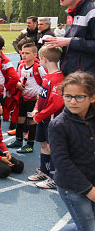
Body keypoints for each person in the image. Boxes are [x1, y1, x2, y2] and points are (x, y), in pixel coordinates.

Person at [49, 71, 95, 231]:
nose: (72, 101)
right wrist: (88, 189)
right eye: (67, 96)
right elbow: (62, 161)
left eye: (79, 97)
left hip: (92, 180)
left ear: (92, 97)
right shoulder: (59, 125)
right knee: (88, 227)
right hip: (73, 187)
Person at [27, 46, 65, 190]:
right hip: (42, 118)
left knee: (53, 147)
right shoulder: (48, 76)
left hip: (52, 120)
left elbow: (56, 103)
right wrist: (36, 109)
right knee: (43, 144)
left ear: (44, 59)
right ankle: (44, 171)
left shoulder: (58, 78)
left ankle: (54, 177)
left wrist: (40, 115)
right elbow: (40, 97)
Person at [43, 0, 95, 76]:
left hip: (86, 80)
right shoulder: (71, 13)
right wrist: (58, 45)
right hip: (70, 76)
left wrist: (68, 42)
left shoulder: (92, 12)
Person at [7, 42, 46, 153]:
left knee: (31, 121)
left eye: (27, 53)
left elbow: (46, 81)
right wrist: (18, 84)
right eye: (23, 53)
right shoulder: (20, 65)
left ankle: (30, 144)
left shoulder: (38, 67)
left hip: (33, 99)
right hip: (23, 98)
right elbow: (17, 78)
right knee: (20, 119)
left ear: (35, 55)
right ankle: (18, 140)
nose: (24, 55)